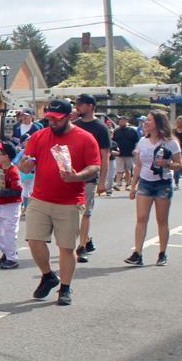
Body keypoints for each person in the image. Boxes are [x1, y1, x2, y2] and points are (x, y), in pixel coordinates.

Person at [18, 99, 100, 306]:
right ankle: (48, 275)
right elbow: (26, 164)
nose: (52, 122)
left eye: (56, 119)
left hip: (70, 201)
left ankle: (65, 287)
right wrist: (25, 166)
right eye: (49, 118)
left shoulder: (85, 138)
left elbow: (94, 167)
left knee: (66, 247)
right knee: (34, 240)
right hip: (40, 197)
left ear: (69, 116)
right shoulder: (39, 136)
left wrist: (77, 175)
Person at [124, 111, 181, 267]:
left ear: (158, 122)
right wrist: (132, 186)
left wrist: (167, 164)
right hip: (145, 183)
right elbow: (138, 166)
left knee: (161, 220)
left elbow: (179, 164)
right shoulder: (142, 141)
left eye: (149, 120)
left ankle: (162, 253)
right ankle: (138, 253)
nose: (145, 123)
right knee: (141, 218)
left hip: (163, 184)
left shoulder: (170, 142)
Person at [73, 94, 111, 263]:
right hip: (73, 176)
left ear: (90, 106)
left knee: (85, 213)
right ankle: (86, 239)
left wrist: (102, 181)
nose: (77, 107)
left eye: (80, 104)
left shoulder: (100, 128)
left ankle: (81, 247)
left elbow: (105, 155)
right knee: (73, 213)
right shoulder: (74, 126)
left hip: (89, 177)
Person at [0, 140, 22, 269]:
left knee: (9, 231)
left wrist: (0, 191)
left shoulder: (13, 171)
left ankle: (12, 258)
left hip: (11, 205)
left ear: (7, 156)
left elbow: (17, 191)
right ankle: (8, 252)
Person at [112, 115, 139, 190]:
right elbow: (113, 142)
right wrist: (114, 150)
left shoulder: (132, 131)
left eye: (122, 120)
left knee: (128, 170)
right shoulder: (116, 131)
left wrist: (135, 150)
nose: (121, 122)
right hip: (119, 154)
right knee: (119, 170)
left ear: (126, 121)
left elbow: (137, 142)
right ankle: (118, 184)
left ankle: (128, 184)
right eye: (120, 121)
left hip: (129, 154)